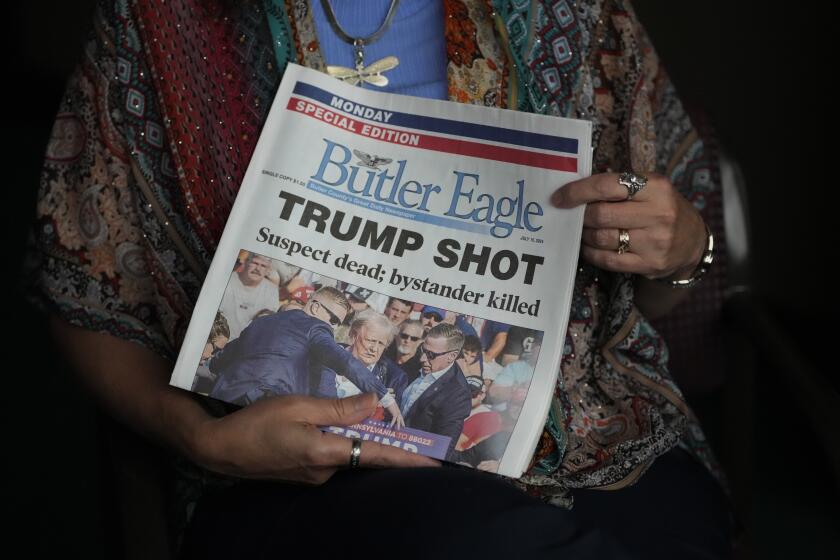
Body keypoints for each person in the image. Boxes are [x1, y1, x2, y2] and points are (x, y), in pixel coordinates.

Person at [30, 0, 733, 557]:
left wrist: (683, 252)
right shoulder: (160, 21)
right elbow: (85, 292)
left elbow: (658, 290)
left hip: (601, 443)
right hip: (300, 478)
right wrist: (198, 439)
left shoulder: (577, 13)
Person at [208, 287, 403, 429]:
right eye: (333, 319)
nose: (333, 327)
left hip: (222, 399)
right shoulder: (317, 329)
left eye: (339, 323)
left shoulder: (263, 321)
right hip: (265, 412)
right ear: (315, 307)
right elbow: (344, 361)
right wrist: (385, 397)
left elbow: (220, 361)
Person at [314, 309, 409, 425]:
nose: (374, 349)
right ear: (353, 336)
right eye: (370, 340)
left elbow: (390, 422)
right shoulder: (328, 353)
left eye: (381, 343)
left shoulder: (393, 377)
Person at [400, 323, 472, 460]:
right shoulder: (424, 357)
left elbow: (440, 449)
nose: (422, 359)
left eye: (430, 355)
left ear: (452, 356)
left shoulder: (457, 395)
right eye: (423, 350)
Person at [218, 253, 280, 340]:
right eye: (255, 263)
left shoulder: (271, 290)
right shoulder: (228, 280)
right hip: (219, 339)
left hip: (248, 343)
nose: (258, 269)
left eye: (263, 266)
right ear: (246, 262)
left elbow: (267, 325)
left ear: (268, 270)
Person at [384, 318, 425, 383]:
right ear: (396, 336)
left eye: (414, 338)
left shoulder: (420, 368)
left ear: (420, 342)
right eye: (404, 336)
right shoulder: (383, 357)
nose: (407, 341)